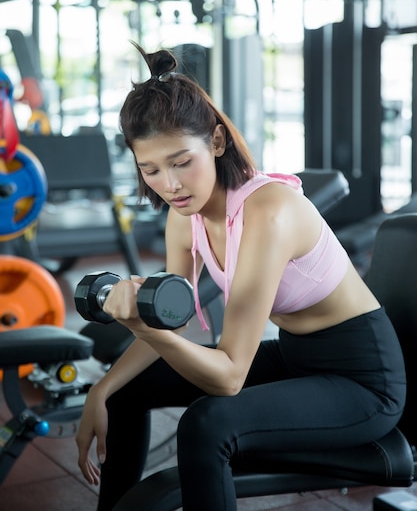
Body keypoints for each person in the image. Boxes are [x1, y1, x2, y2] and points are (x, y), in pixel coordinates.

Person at [76, 44, 406, 511]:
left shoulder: (269, 213)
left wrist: (140, 325)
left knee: (208, 422)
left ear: (215, 141)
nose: (169, 184)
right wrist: (103, 388)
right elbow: (173, 319)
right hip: (297, 359)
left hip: (361, 380)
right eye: (150, 170)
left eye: (180, 162)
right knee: (126, 390)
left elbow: (229, 377)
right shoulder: (182, 217)